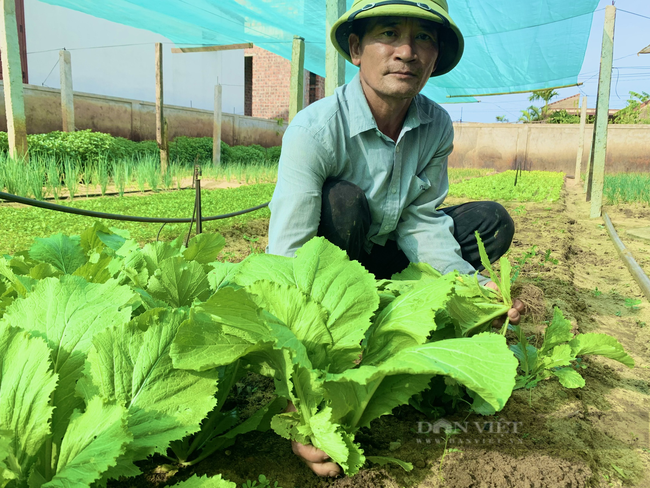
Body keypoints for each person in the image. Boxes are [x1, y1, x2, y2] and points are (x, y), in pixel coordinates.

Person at [266, 0, 525, 478]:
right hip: (333, 266)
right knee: (342, 201)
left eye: (423, 38)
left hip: (389, 255)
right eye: (389, 33)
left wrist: (467, 286)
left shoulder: (435, 124)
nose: (407, 51)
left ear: (435, 55)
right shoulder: (315, 129)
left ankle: (414, 305)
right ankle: (346, 328)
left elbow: (421, 219)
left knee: (491, 221)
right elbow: (289, 253)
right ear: (356, 47)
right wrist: (297, 397)